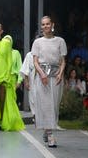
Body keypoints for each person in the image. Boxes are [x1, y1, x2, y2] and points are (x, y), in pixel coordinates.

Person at [31, 16, 67, 148]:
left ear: (52, 24)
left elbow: (63, 61)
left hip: (56, 77)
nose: (45, 26)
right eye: (43, 24)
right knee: (46, 105)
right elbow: (35, 61)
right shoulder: (37, 42)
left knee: (54, 105)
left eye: (47, 24)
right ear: (41, 27)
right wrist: (41, 74)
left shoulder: (60, 41)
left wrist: (61, 72)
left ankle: (47, 130)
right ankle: (51, 135)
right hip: (42, 77)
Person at [20, 51, 36, 117]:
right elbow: (26, 68)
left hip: (44, 79)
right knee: (33, 97)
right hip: (33, 78)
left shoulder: (46, 53)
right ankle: (35, 115)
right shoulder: (29, 55)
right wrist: (26, 81)